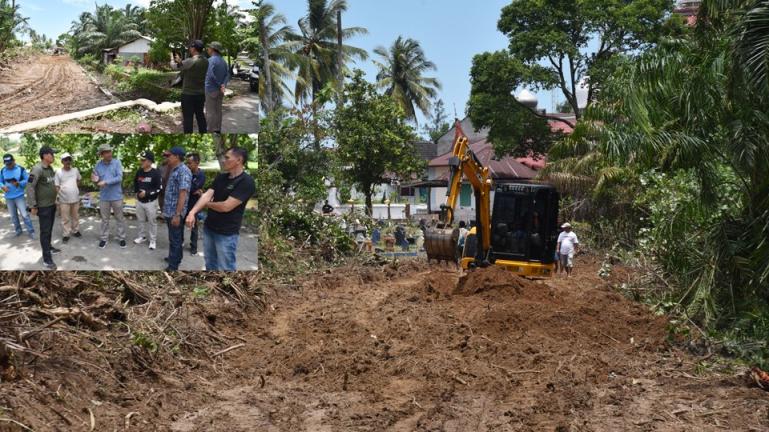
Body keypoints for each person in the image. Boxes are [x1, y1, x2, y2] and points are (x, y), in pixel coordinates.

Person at [186, 147, 255, 271]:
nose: (223, 160)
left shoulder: (246, 182)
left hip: (226, 234)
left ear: (239, 160)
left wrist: (207, 204)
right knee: (210, 264)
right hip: (209, 228)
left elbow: (225, 206)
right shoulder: (221, 177)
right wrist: (192, 212)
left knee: (226, 267)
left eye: (227, 157)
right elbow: (207, 195)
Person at [26, 146, 60, 269]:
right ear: (45, 155)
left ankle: (49, 247)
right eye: (52, 154)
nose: (53, 156)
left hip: (51, 204)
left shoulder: (49, 168)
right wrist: (33, 206)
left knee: (49, 229)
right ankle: (47, 259)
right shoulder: (37, 169)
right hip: (43, 207)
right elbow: (30, 187)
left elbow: (50, 185)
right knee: (45, 232)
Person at [163, 147, 192, 271]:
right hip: (170, 211)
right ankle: (174, 257)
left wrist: (177, 214)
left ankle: (173, 266)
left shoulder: (183, 171)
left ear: (176, 156)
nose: (167, 158)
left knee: (175, 238)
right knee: (174, 237)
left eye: (169, 156)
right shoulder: (174, 169)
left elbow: (183, 193)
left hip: (175, 213)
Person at [93, 144, 126, 249]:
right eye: (107, 152)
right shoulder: (98, 165)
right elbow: (96, 180)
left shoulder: (117, 163)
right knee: (104, 219)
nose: (109, 154)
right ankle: (104, 239)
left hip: (117, 196)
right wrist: (95, 180)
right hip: (104, 197)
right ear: (102, 154)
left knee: (119, 218)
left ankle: (121, 238)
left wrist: (106, 182)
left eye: (110, 151)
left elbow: (119, 178)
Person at [171, 40, 209, 133]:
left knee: (188, 118)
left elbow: (174, 66)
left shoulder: (190, 61)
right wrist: (181, 62)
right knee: (200, 116)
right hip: (200, 94)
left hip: (188, 95)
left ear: (194, 49)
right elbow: (187, 67)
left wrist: (171, 58)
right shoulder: (206, 61)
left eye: (191, 47)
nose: (190, 49)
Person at [133, 150, 163, 250]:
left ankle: (152, 240)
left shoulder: (156, 173)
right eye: (141, 160)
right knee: (140, 220)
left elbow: (159, 188)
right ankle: (142, 236)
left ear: (150, 161)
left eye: (143, 160)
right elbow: (135, 183)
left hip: (151, 202)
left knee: (152, 222)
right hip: (139, 202)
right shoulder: (139, 171)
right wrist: (136, 193)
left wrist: (147, 193)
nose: (141, 162)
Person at [1, 154, 35, 239]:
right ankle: (18, 231)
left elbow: (28, 179)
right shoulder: (3, 170)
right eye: (7, 164)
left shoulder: (21, 169)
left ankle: (31, 231)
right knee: (13, 216)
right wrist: (2, 186)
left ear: (14, 161)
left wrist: (19, 183)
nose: (8, 165)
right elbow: (0, 181)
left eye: (10, 163)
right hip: (8, 197)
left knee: (24, 215)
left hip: (19, 196)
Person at [54, 152, 81, 243]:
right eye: (65, 160)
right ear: (62, 161)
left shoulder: (75, 170)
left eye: (69, 159)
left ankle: (76, 231)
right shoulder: (58, 172)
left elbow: (78, 180)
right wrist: (60, 195)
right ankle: (66, 234)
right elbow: (56, 186)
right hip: (64, 200)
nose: (68, 161)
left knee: (75, 216)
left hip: (75, 198)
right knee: (65, 218)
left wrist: (74, 188)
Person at [205, 41, 230, 134]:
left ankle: (210, 130)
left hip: (211, 89)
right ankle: (217, 129)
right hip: (220, 90)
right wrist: (223, 85)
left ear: (212, 49)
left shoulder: (210, 60)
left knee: (210, 111)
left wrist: (219, 85)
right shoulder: (223, 61)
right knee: (218, 110)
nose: (208, 49)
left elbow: (211, 75)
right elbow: (227, 75)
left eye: (209, 47)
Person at [185, 152, 206, 255]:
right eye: (187, 163)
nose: (187, 165)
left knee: (193, 225)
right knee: (180, 223)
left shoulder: (201, 175)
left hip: (194, 204)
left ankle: (193, 247)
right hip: (183, 202)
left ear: (197, 162)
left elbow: (192, 188)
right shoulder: (186, 172)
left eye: (190, 163)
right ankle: (179, 242)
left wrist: (189, 188)